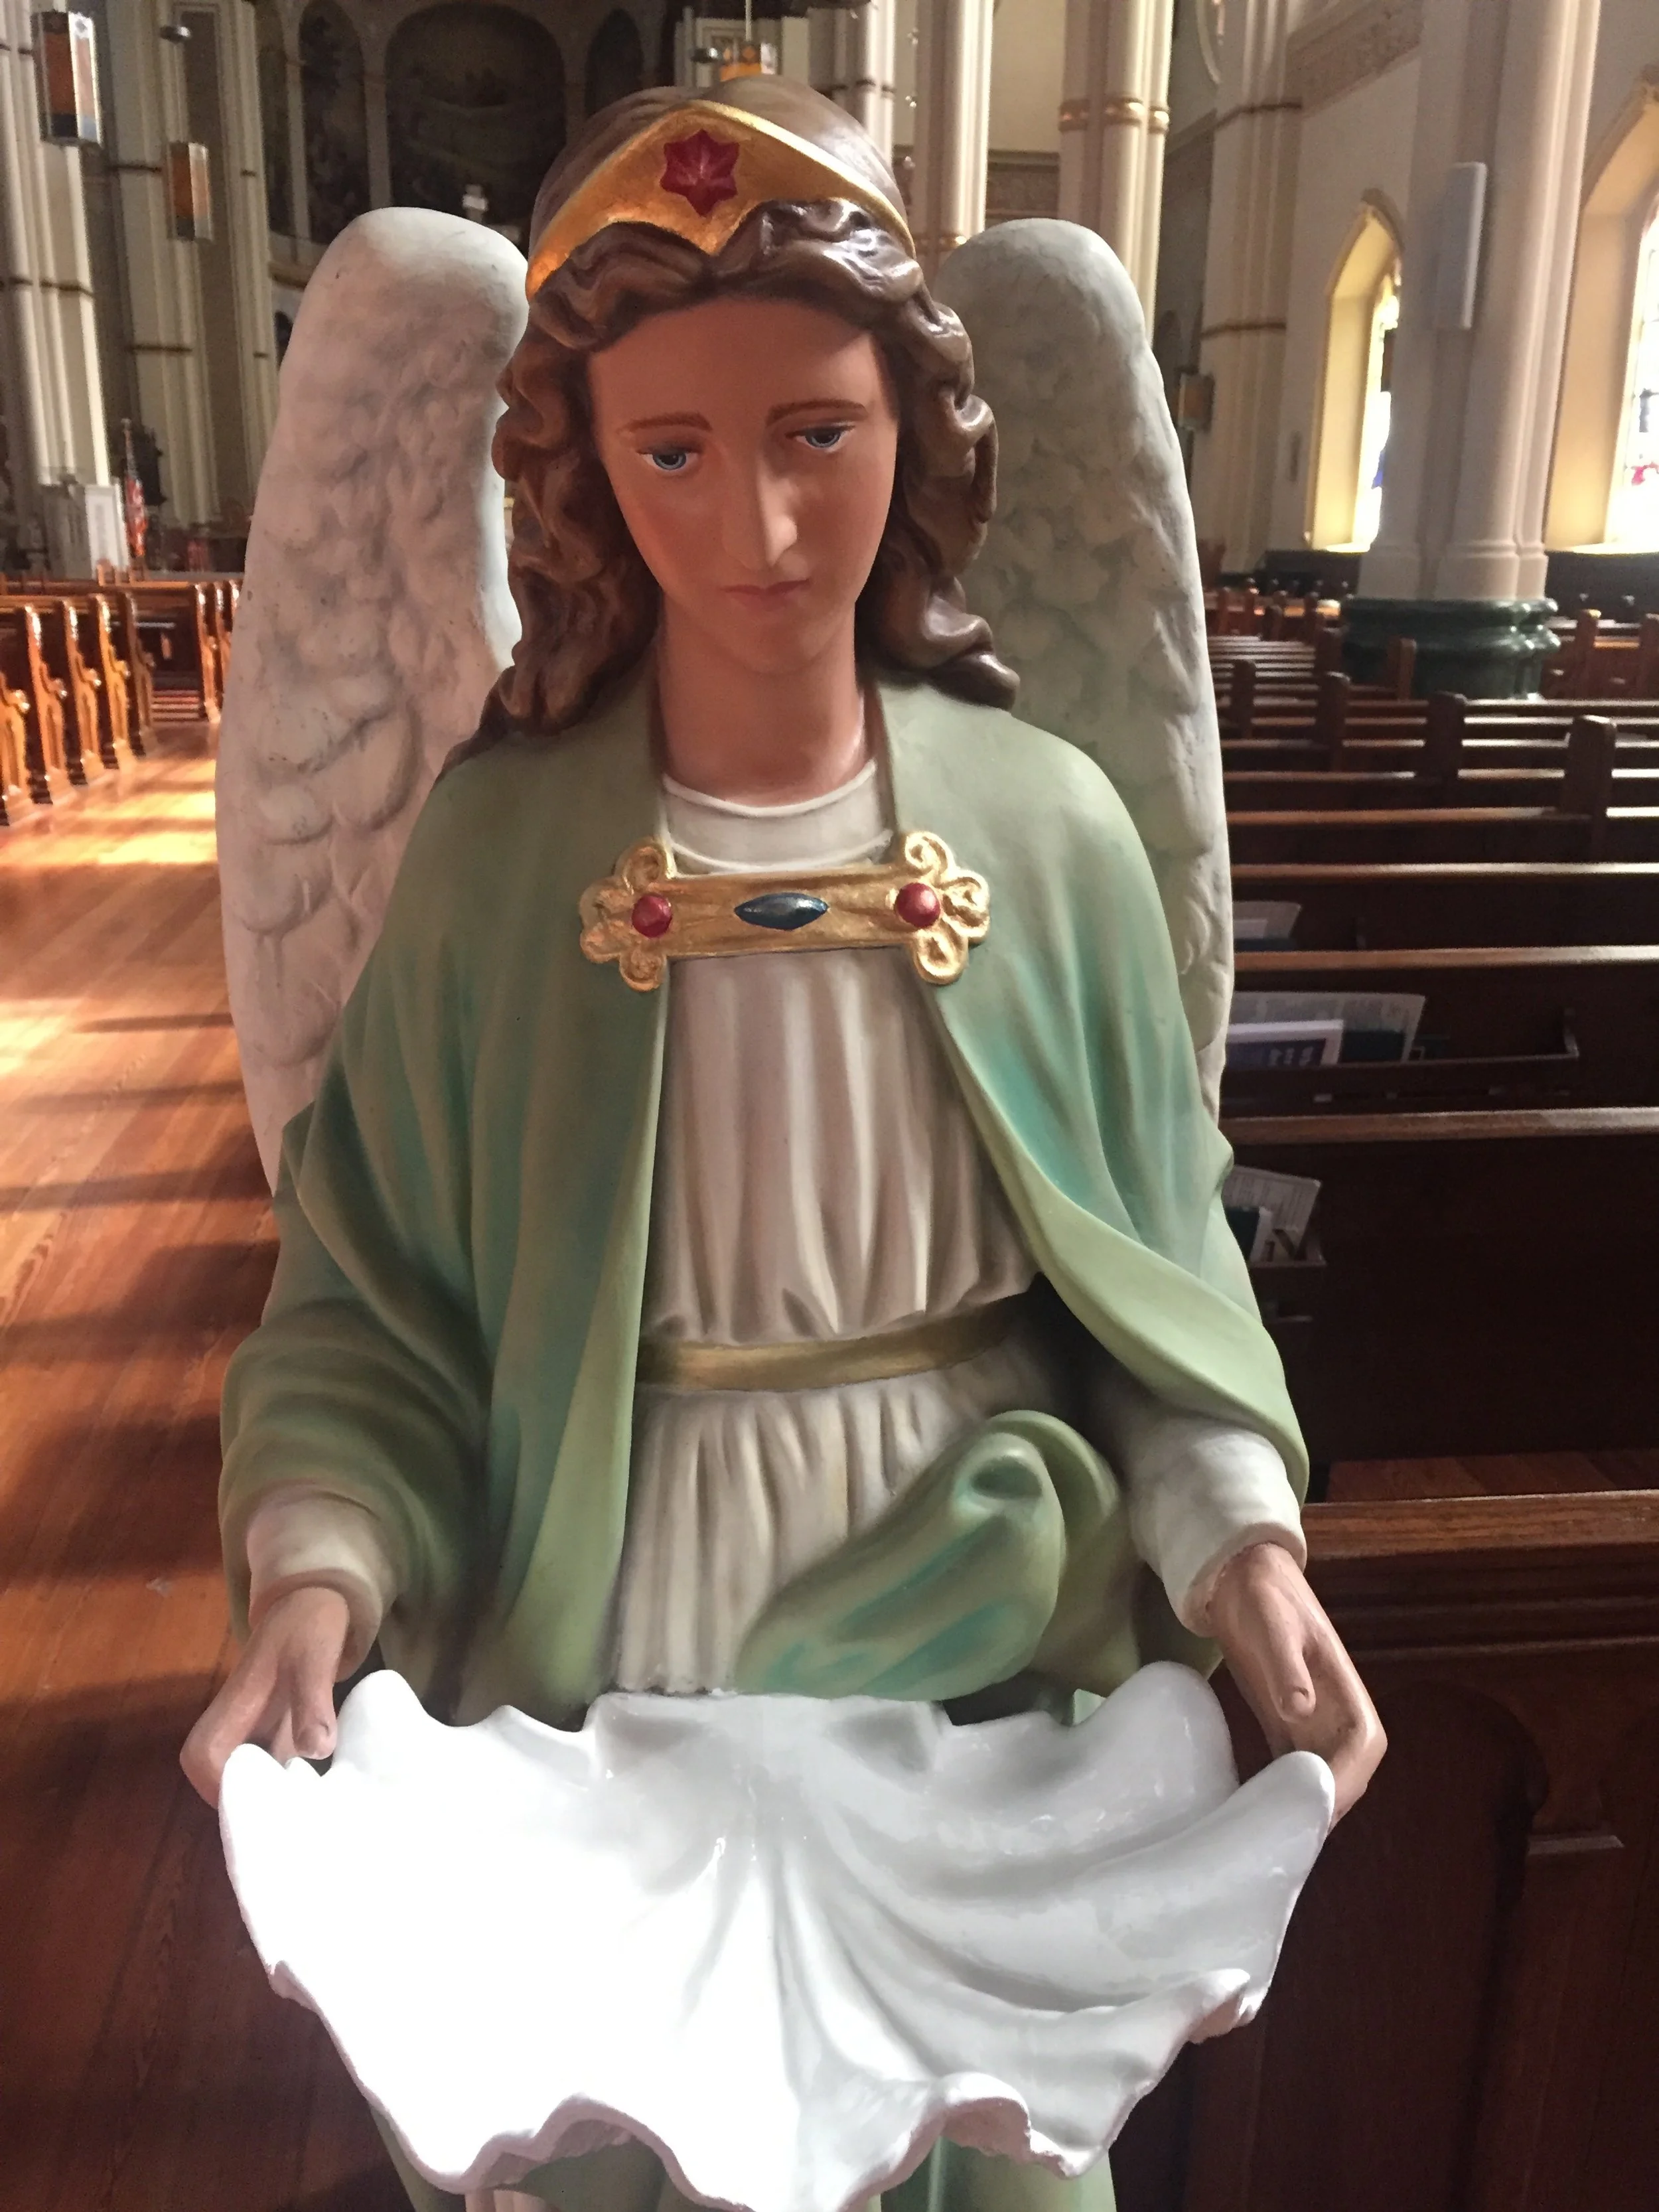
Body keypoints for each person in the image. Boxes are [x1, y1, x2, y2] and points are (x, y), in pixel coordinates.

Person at [184, 78, 1384, 2212]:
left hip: (976, 1642)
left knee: (983, 2167)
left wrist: (1235, 1540)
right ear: (582, 465)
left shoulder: (1046, 836)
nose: (753, 525)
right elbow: (376, 1295)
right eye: (672, 451)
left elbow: (1150, 1268)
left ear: (916, 424)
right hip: (606, 1636)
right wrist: (319, 1564)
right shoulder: (499, 856)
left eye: (814, 433)